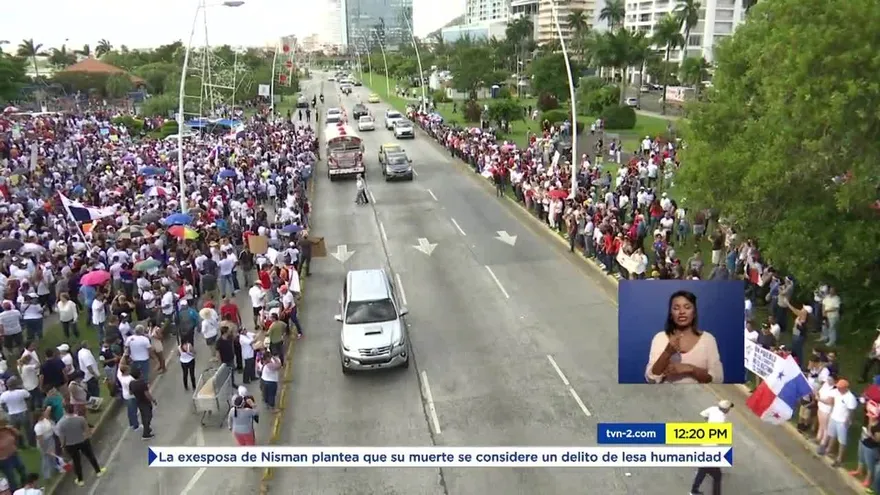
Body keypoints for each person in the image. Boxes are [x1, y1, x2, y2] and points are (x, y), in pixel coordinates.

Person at [646, 290, 724, 384]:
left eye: (687, 307)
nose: (682, 312)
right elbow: (651, 379)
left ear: (694, 312)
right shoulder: (660, 338)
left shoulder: (708, 339)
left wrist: (690, 368)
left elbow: (717, 379)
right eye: (676, 308)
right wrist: (667, 353)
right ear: (671, 314)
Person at [54, 404, 106, 487]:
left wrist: (63, 446)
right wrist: (86, 437)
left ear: (64, 411)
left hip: (70, 445)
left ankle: (80, 480)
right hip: (82, 441)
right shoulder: (80, 419)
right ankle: (98, 471)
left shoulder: (61, 423)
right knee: (90, 456)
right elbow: (87, 430)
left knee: (76, 461)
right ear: (73, 409)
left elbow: (62, 437)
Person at [129, 369, 156, 440]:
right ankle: (146, 433)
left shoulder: (131, 383)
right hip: (146, 402)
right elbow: (147, 394)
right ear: (139, 375)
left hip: (139, 402)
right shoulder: (142, 383)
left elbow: (130, 393)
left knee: (144, 416)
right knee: (148, 416)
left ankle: (147, 429)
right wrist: (153, 400)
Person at [0, 421, 26, 492]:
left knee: (22, 471)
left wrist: (11, 428)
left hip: (14, 455)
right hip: (4, 460)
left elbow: (19, 434)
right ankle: (15, 492)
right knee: (11, 478)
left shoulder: (7, 430)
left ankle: (26, 487)